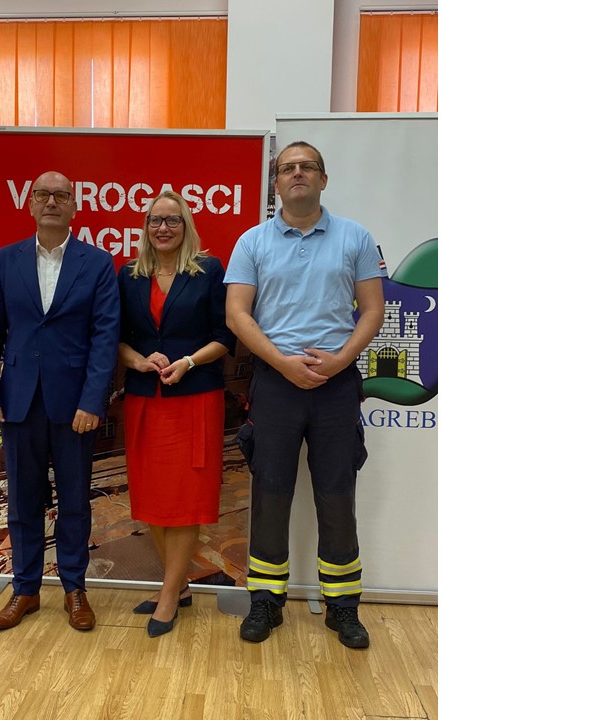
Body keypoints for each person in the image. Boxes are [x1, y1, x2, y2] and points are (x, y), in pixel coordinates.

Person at [224, 141, 386, 649]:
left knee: (337, 495)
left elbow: (373, 310)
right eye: (287, 168)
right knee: (270, 494)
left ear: (323, 179)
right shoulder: (252, 241)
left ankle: (342, 607)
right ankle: (265, 601)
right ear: (275, 183)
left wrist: (339, 361)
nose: (297, 174)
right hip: (275, 383)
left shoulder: (355, 237)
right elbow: (237, 314)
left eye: (307, 167)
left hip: (336, 384)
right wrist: (281, 363)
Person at [0, 170, 120, 632]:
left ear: (75, 205)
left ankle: (75, 589)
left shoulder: (97, 263)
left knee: (75, 501)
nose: (51, 202)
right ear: (31, 204)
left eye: (61, 195)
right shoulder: (6, 260)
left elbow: (104, 337)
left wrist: (92, 400)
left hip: (75, 405)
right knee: (22, 502)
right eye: (43, 194)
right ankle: (25, 590)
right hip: (18, 402)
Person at [117, 191, 235, 638]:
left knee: (185, 498)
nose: (162, 228)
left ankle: (169, 595)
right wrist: (138, 360)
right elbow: (116, 337)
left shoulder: (208, 271)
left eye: (172, 220)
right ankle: (179, 584)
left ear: (186, 226)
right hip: (144, 399)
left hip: (194, 398)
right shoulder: (129, 275)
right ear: (145, 227)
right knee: (151, 496)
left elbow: (225, 336)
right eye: (155, 220)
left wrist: (188, 361)